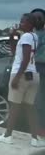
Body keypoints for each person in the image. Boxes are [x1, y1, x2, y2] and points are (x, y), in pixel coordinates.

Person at [0, 13, 44, 147]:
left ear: (30, 24)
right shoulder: (33, 36)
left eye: (23, 22)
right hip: (34, 75)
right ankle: (35, 139)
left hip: (21, 74)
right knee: (30, 107)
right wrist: (13, 36)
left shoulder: (27, 36)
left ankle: (8, 136)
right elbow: (14, 51)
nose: (20, 23)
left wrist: (16, 77)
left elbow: (26, 59)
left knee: (15, 107)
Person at [31, 8, 45, 137]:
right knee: (37, 100)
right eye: (34, 18)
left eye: (40, 17)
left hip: (42, 68)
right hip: (34, 69)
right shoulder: (29, 34)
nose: (37, 20)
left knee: (40, 100)